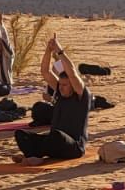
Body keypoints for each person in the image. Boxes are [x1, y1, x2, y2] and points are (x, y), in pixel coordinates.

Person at [14, 35, 93, 163]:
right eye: (60, 84)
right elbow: (45, 71)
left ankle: (35, 155)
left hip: (73, 147)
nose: (60, 88)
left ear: (73, 85)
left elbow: (72, 73)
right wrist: (48, 50)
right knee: (21, 134)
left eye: (65, 85)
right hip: (55, 143)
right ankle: (33, 156)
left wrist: (59, 50)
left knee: (56, 136)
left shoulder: (81, 95)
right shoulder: (59, 91)